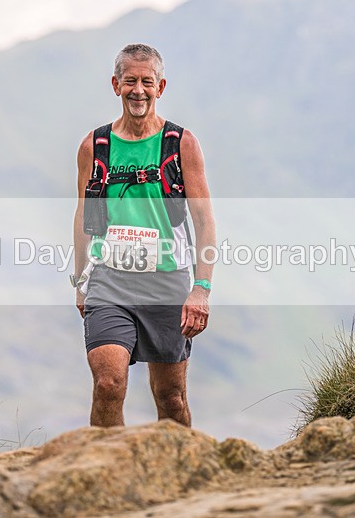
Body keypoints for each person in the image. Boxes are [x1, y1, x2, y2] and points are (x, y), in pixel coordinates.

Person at [72, 43, 216, 428]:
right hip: (109, 282)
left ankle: (185, 479)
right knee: (108, 383)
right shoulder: (95, 146)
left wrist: (201, 288)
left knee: (170, 398)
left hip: (167, 283)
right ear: (115, 84)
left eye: (147, 82)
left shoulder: (181, 144)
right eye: (130, 81)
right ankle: (107, 478)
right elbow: (84, 215)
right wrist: (80, 281)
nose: (139, 90)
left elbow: (204, 221)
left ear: (161, 86)